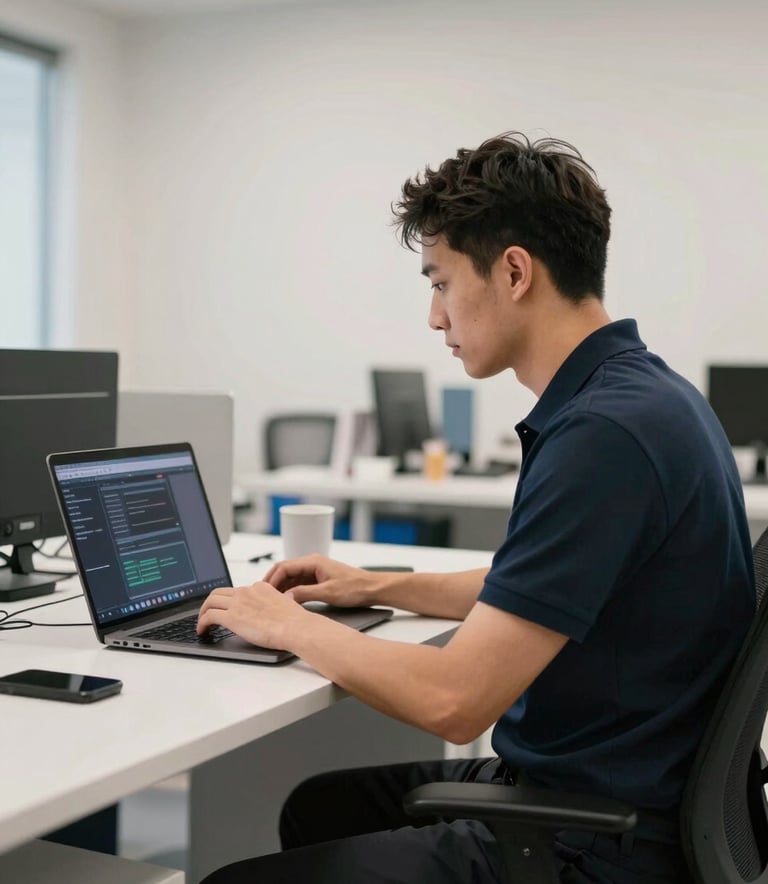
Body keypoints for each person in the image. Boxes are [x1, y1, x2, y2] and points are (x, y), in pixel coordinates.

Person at [197, 132, 755, 883]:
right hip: (619, 790)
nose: (435, 317)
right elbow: (539, 588)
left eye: (441, 282)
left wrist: (283, 623)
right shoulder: (644, 397)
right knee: (320, 808)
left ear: (515, 271)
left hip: (590, 841)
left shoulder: (604, 435)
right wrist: (374, 586)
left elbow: (454, 699)